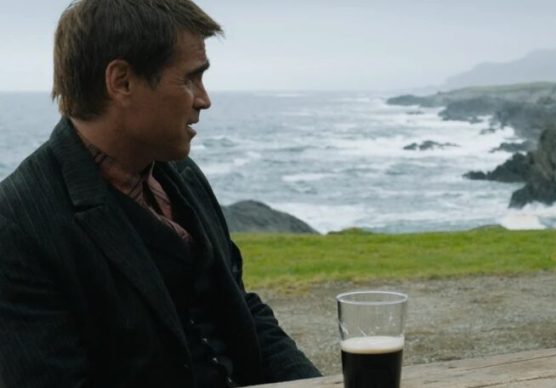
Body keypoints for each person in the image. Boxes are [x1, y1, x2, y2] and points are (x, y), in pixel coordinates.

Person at [0, 1, 322, 387]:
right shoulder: (17, 225)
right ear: (121, 81)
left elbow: (239, 308)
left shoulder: (181, 174)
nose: (204, 99)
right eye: (190, 79)